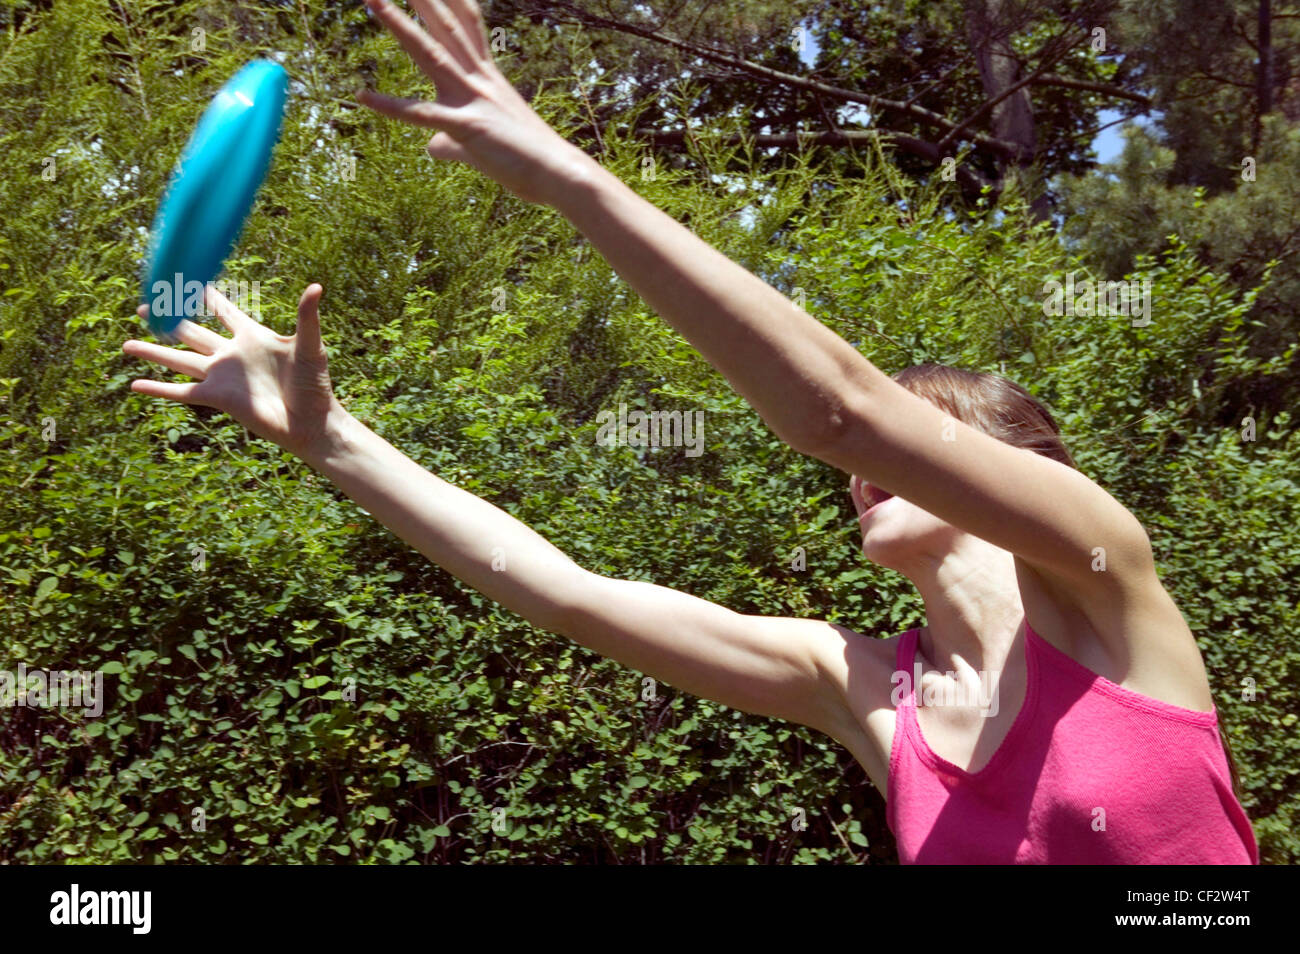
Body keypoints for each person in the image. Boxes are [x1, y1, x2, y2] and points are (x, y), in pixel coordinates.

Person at [122, 0, 1257, 864]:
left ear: (1019, 473)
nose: (866, 473)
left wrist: (567, 176)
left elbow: (841, 412)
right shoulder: (868, 693)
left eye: (924, 439)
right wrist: (330, 440)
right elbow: (566, 593)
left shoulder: (1109, 583)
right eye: (870, 468)